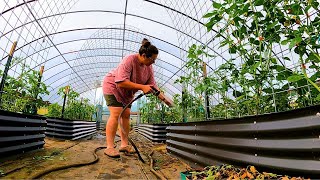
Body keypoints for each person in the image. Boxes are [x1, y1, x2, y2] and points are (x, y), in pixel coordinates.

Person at [102, 38, 171, 158]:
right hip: (112, 86)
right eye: (152, 59)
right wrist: (142, 87)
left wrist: (165, 100)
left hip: (127, 93)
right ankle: (109, 147)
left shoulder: (148, 67)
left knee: (126, 114)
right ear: (144, 55)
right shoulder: (129, 60)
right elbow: (120, 82)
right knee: (116, 113)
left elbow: (153, 86)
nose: (153, 62)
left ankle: (124, 145)